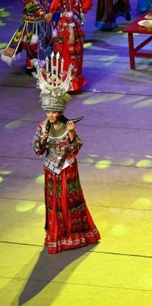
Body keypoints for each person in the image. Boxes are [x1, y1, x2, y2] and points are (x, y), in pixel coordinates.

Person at [31, 53, 101, 253]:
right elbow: (37, 150)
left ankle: (75, 235)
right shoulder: (42, 126)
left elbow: (77, 148)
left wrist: (71, 135)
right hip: (51, 169)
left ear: (60, 112)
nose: (51, 115)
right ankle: (56, 236)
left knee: (68, 201)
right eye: (48, 112)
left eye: (54, 112)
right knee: (54, 203)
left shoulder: (68, 126)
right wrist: (44, 137)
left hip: (67, 168)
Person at [49, 0, 91, 92]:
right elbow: (68, 13)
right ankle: (68, 83)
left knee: (72, 55)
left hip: (71, 26)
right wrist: (72, 33)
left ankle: (71, 82)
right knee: (69, 55)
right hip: (68, 28)